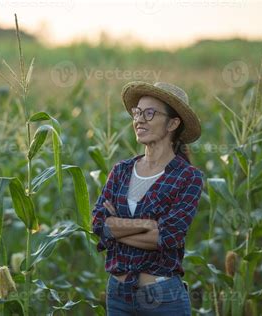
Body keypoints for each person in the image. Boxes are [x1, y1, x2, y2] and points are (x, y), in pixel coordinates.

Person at [91, 81, 204, 315]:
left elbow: (169, 236)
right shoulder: (121, 170)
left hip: (162, 299)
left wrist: (117, 229)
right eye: (137, 112)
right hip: (118, 295)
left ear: (173, 123)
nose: (139, 120)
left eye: (150, 113)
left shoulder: (188, 178)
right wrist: (148, 226)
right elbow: (99, 225)